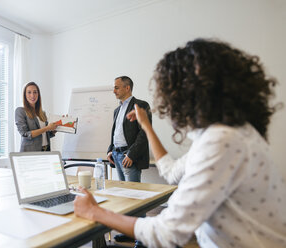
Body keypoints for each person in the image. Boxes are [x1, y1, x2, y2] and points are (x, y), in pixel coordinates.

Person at [74, 39, 286, 248]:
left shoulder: (222, 141)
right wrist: (147, 126)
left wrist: (95, 212)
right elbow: (172, 172)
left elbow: (167, 234)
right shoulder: (228, 134)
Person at [107, 76, 152, 183]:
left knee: (133, 194)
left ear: (127, 88)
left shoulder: (141, 105)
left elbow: (144, 132)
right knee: (123, 192)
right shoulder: (117, 110)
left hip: (129, 156)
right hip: (116, 155)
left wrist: (131, 154)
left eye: (117, 88)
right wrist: (110, 150)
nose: (114, 91)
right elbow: (116, 132)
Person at [15, 82, 57, 152]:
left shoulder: (42, 113)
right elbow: (25, 134)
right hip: (30, 153)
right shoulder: (20, 111)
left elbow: (45, 135)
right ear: (25, 95)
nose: (32, 95)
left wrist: (54, 130)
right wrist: (47, 128)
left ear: (38, 94)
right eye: (29, 92)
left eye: (35, 92)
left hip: (45, 150)